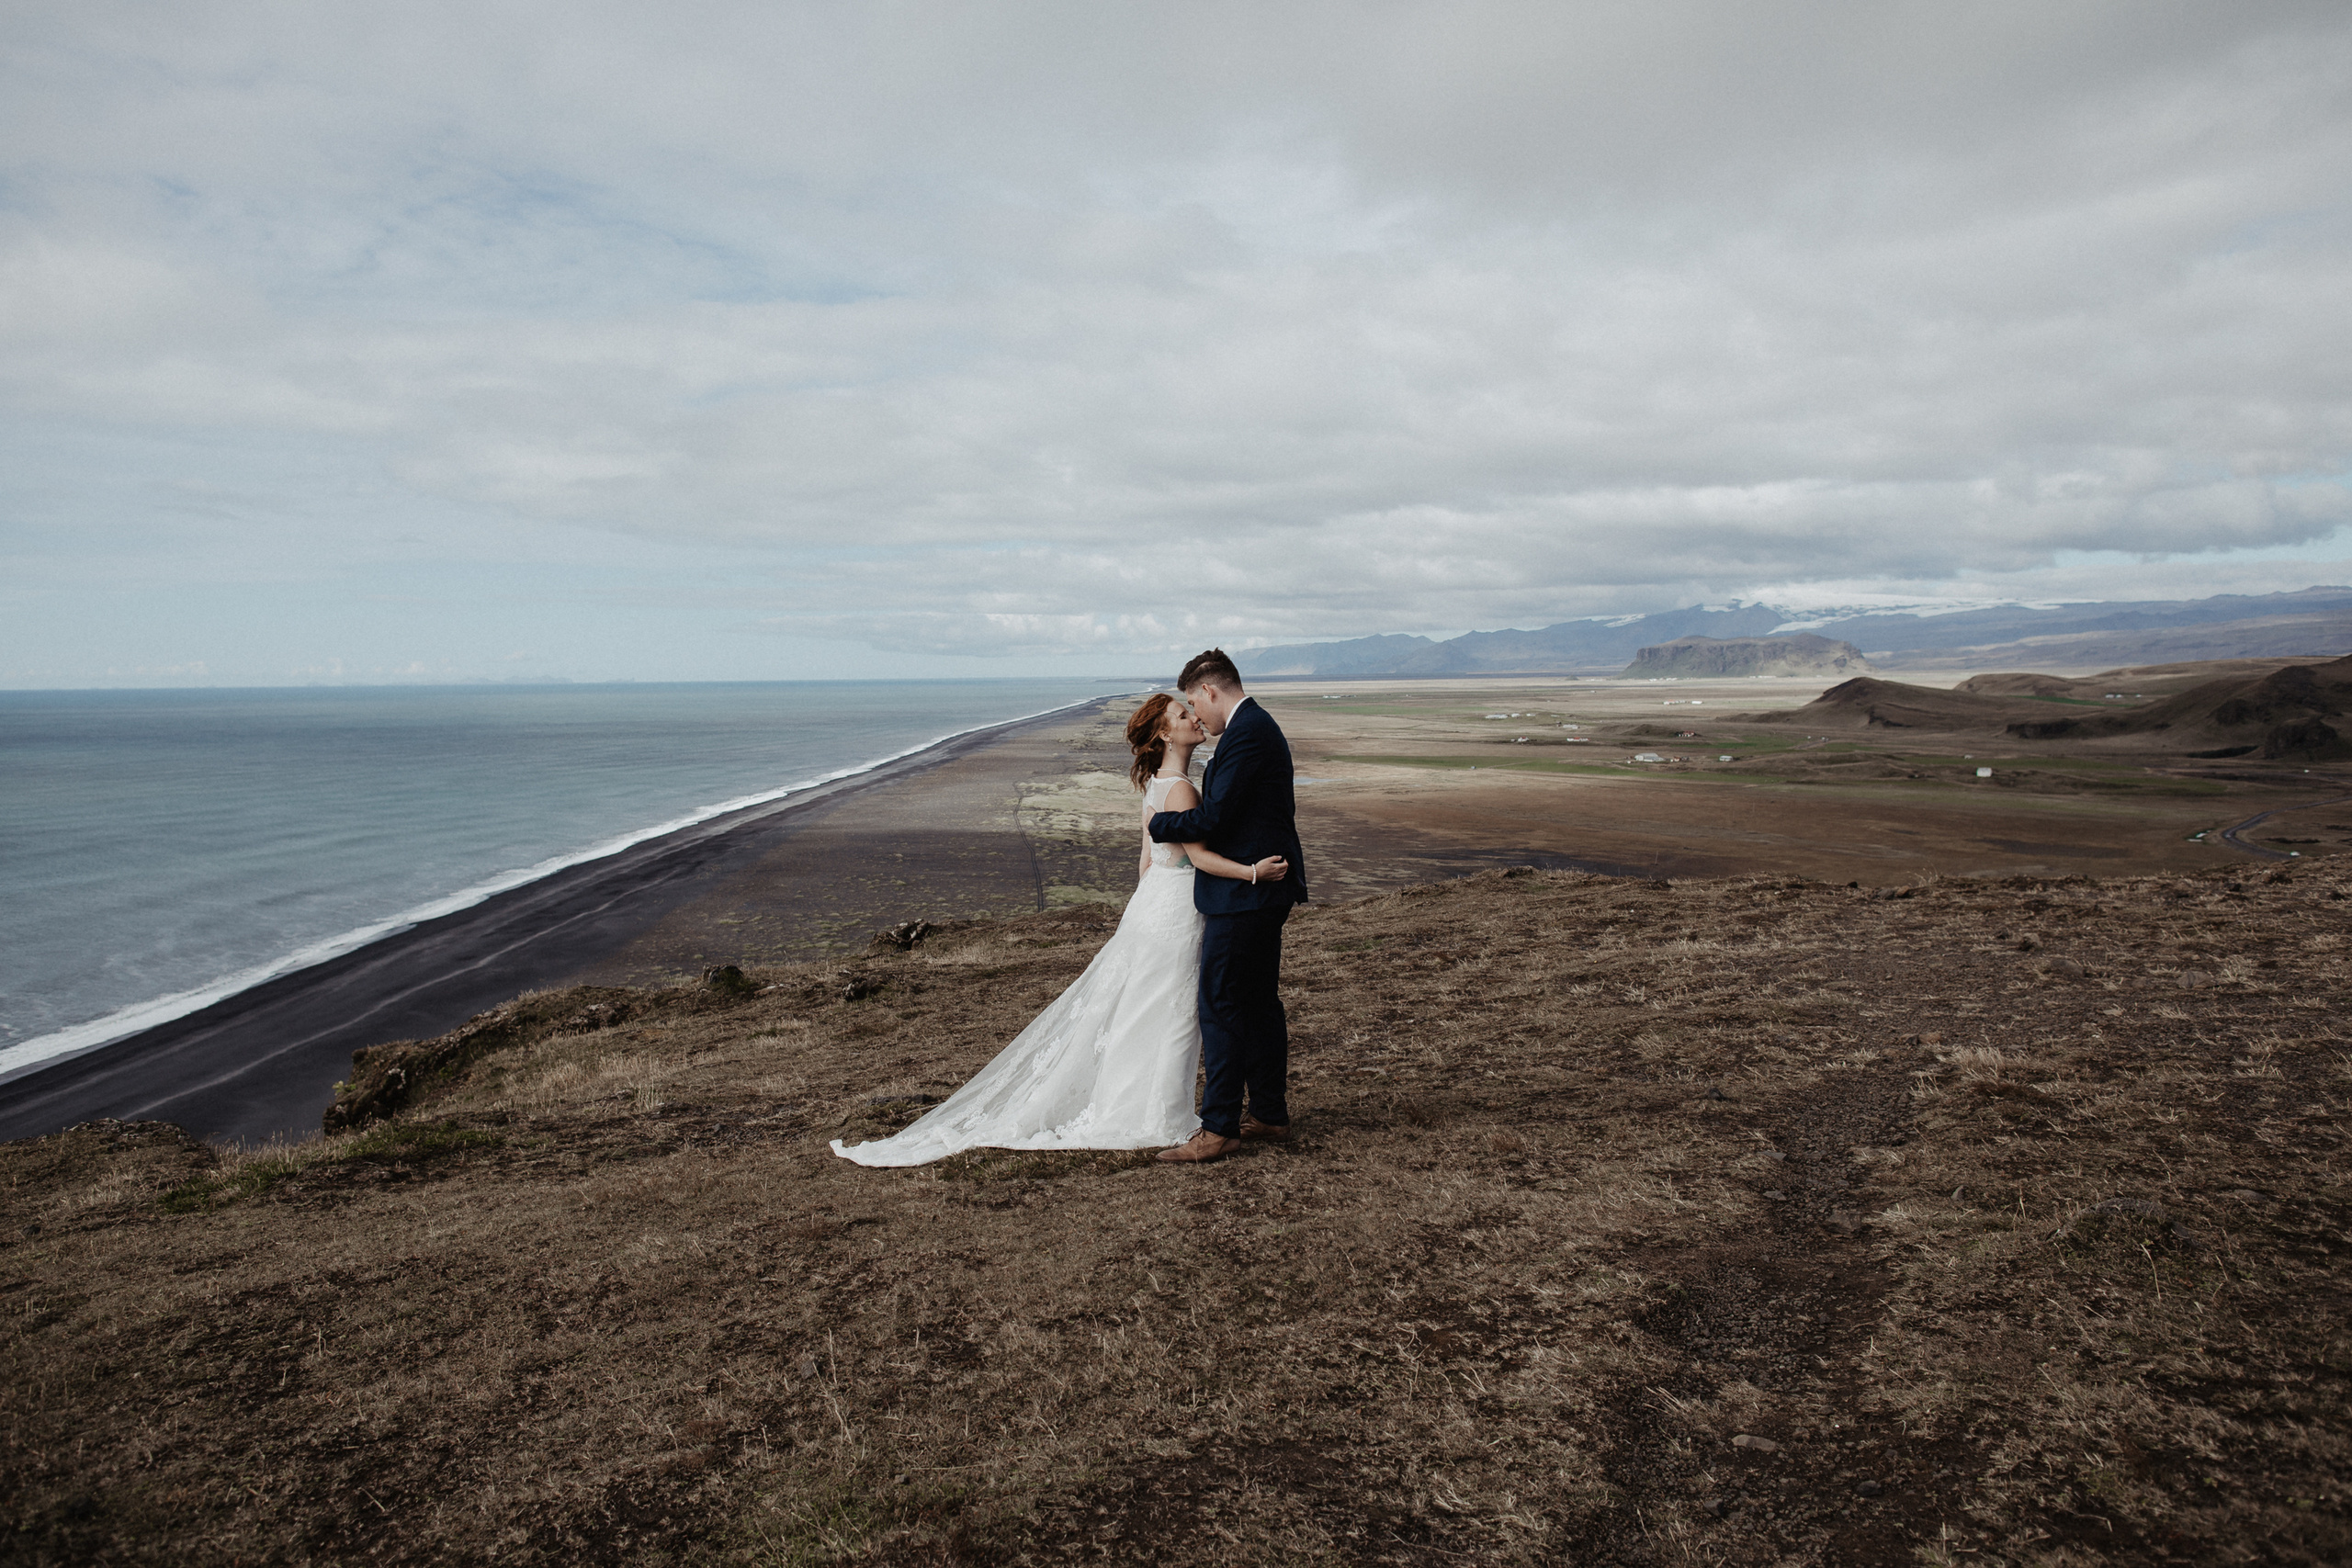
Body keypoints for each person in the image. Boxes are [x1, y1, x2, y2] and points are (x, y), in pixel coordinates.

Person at [831, 693, 1288, 1167]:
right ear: (1164, 734)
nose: (1193, 717)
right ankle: (1158, 1112)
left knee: (1141, 1011)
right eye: (1181, 714)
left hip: (1152, 908)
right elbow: (1197, 858)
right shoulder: (1182, 791)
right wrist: (1254, 873)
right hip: (1176, 912)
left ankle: (1138, 1103)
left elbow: (1146, 860)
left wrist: (1141, 911)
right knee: (1172, 1016)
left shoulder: (1156, 784)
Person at [1148, 649, 1308, 1165]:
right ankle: (1268, 1113)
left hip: (1244, 898)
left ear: (1211, 691)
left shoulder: (1247, 732)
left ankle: (1219, 1129)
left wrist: (1159, 825)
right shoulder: (1252, 729)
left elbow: (1213, 819)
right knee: (1259, 1004)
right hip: (1257, 893)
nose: (1196, 714)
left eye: (1195, 701)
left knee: (1221, 1005)